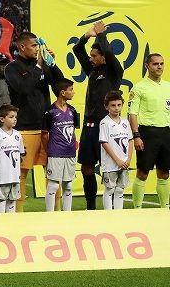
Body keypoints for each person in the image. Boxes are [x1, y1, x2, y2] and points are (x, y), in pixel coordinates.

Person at [5, 32, 64, 212]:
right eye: (33, 46)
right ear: (22, 47)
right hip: (25, 128)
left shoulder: (42, 64)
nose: (37, 49)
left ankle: (57, 211)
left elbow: (60, 84)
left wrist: (52, 64)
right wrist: (39, 66)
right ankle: (19, 213)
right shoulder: (12, 68)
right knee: (22, 172)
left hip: (47, 127)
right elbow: (24, 88)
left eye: (37, 45)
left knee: (53, 171)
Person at [72, 21, 123, 209]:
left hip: (107, 128)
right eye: (91, 56)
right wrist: (87, 36)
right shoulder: (92, 71)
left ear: (104, 58)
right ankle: (90, 207)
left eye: (94, 56)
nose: (91, 59)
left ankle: (113, 208)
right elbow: (77, 50)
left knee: (110, 170)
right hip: (89, 128)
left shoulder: (114, 72)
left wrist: (101, 35)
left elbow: (108, 52)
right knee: (86, 169)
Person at [128, 53, 170, 209]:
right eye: (155, 64)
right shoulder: (139, 88)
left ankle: (165, 208)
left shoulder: (168, 86)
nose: (159, 67)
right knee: (143, 172)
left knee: (164, 173)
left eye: (161, 64)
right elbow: (132, 114)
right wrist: (136, 136)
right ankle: (137, 209)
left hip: (166, 133)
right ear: (147, 66)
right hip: (147, 134)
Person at [42, 79, 79, 212]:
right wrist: (49, 152)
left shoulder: (73, 111)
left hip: (70, 153)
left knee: (68, 185)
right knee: (53, 185)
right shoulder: (50, 112)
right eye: (71, 90)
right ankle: (50, 215)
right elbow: (44, 135)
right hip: (55, 154)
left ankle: (67, 215)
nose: (73, 92)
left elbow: (73, 131)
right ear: (62, 92)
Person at [0, 105, 25, 214]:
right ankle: (0, 221)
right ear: (2, 119)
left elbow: (20, 153)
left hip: (14, 176)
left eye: (15, 117)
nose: (14, 119)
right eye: (11, 117)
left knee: (12, 199)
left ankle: (10, 222)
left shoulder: (17, 135)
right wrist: (2, 162)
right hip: (2, 177)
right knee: (1, 198)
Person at [99, 91, 133, 210]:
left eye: (119, 105)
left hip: (124, 163)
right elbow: (104, 143)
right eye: (113, 105)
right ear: (106, 107)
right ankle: (108, 215)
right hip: (110, 164)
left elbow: (130, 140)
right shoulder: (105, 123)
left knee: (120, 190)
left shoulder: (125, 122)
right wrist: (117, 160)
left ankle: (119, 214)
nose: (116, 108)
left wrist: (128, 159)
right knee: (109, 189)